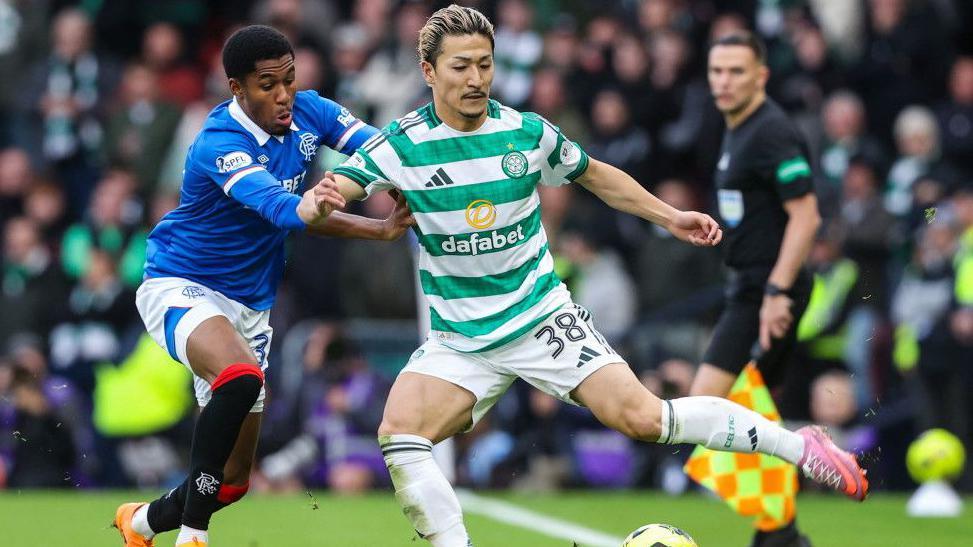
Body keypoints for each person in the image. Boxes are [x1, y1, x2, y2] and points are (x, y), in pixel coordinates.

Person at [329, 6, 867, 546]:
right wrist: (326, 209)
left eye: (485, 65)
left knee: (646, 419)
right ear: (428, 71)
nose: (476, 78)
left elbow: (596, 176)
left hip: (539, 318)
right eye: (460, 66)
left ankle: (802, 447)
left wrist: (670, 217)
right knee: (400, 434)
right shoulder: (401, 144)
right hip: (461, 340)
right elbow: (330, 197)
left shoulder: (525, 133)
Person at [111, 25, 414, 547]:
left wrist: (385, 224)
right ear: (237, 88)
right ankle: (193, 536)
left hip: (250, 306)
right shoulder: (219, 142)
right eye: (267, 84)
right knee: (240, 377)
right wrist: (316, 203)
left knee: (232, 482)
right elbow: (280, 208)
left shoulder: (312, 111)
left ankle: (139, 523)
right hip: (182, 283)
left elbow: (381, 152)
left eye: (289, 80)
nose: (283, 95)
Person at [688, 32, 824, 547]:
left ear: (761, 76)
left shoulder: (771, 132)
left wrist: (777, 293)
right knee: (744, 410)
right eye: (716, 71)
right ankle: (778, 530)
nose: (723, 81)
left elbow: (806, 217)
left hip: (767, 292)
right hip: (747, 287)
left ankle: (782, 526)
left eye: (736, 71)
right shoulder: (738, 129)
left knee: (708, 405)